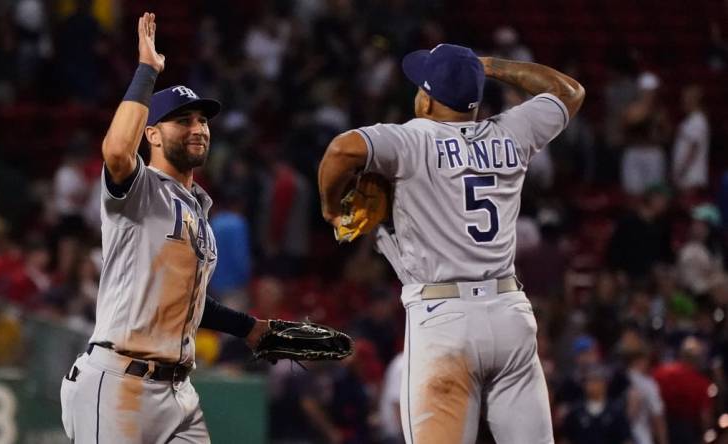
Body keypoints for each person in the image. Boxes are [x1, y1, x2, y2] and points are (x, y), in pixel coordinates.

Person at [318, 44, 585, 443]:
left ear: (425, 97)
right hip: (509, 314)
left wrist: (329, 208)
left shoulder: (411, 138)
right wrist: (489, 67)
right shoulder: (512, 131)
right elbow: (569, 91)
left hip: (443, 318)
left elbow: (342, 148)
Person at [59, 13, 269, 443]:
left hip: (178, 390)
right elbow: (117, 150)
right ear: (152, 134)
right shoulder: (141, 190)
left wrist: (249, 327)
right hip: (119, 381)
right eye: (184, 120)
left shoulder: (198, 209)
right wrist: (147, 71)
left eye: (203, 120)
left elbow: (183, 303)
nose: (198, 128)